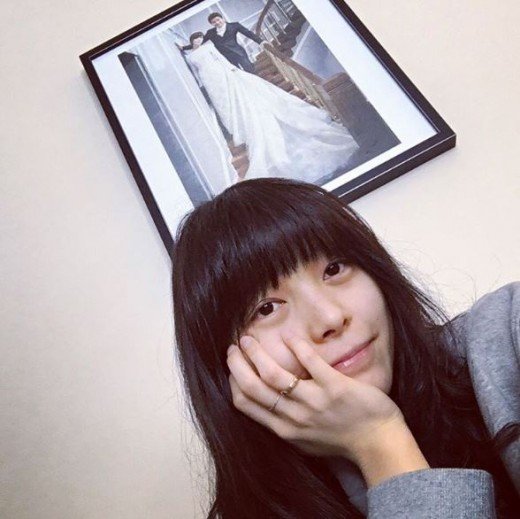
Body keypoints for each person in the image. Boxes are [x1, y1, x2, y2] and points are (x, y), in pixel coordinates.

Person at [171, 178, 519, 518]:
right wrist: (377, 439)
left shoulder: (507, 330)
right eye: (267, 308)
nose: (330, 318)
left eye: (334, 269)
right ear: (231, 367)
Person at [182, 33, 359, 183]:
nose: (199, 40)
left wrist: (231, 69)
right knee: (224, 104)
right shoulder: (190, 56)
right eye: (196, 39)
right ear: (192, 41)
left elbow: (220, 59)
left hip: (221, 72)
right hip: (209, 80)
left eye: (200, 38)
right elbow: (196, 72)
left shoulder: (209, 46)